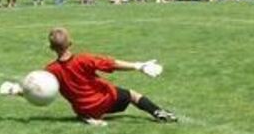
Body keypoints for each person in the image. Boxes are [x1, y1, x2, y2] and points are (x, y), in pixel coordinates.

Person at [41, 28, 177, 125]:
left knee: (82, 107)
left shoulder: (51, 70)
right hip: (106, 101)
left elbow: (39, 87)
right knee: (132, 95)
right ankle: (158, 112)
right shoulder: (83, 59)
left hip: (83, 108)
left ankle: (87, 117)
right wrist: (138, 66)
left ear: (51, 47)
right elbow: (112, 64)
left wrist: (19, 90)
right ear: (70, 43)